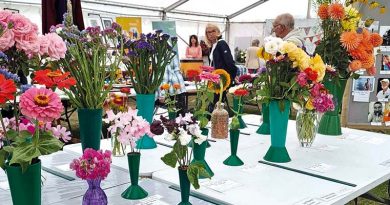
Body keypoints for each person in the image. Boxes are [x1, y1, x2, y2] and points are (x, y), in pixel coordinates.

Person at [205, 23, 237, 114]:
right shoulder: (213, 45)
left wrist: (231, 78)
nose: (210, 34)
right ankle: (215, 122)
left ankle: (216, 122)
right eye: (208, 32)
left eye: (213, 31)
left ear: (218, 32)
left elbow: (230, 62)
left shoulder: (221, 44)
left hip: (222, 80)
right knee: (214, 103)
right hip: (214, 79)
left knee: (216, 103)